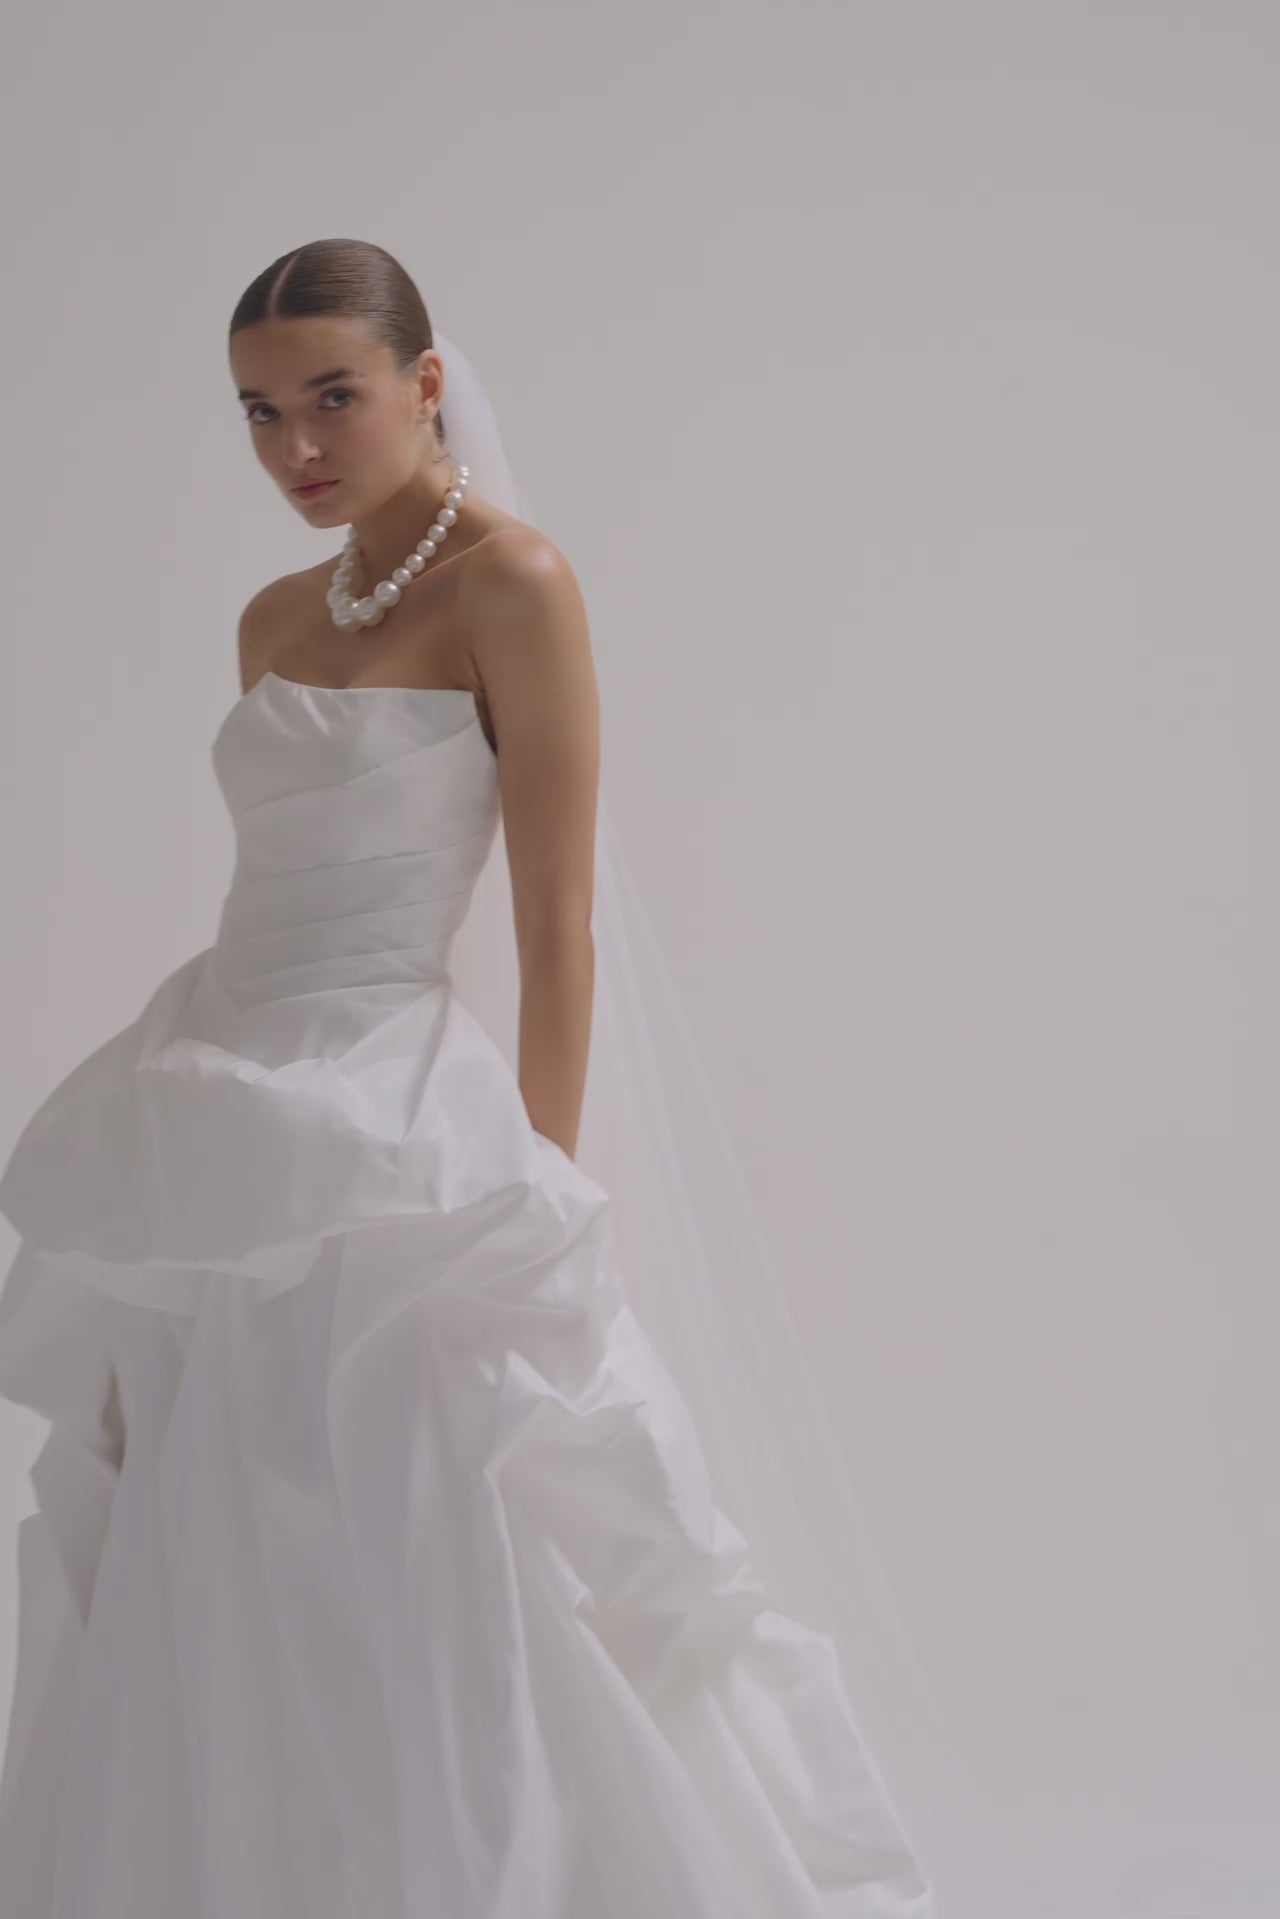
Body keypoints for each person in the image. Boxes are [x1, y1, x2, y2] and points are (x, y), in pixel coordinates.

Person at [0, 239, 998, 1916]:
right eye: (261, 413)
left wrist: (535, 1186)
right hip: (220, 1083)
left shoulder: (515, 584)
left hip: (397, 1115)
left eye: (336, 397)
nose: (299, 446)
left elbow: (557, 917)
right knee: (212, 1498)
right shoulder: (270, 617)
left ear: (427, 383)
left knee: (422, 1510)